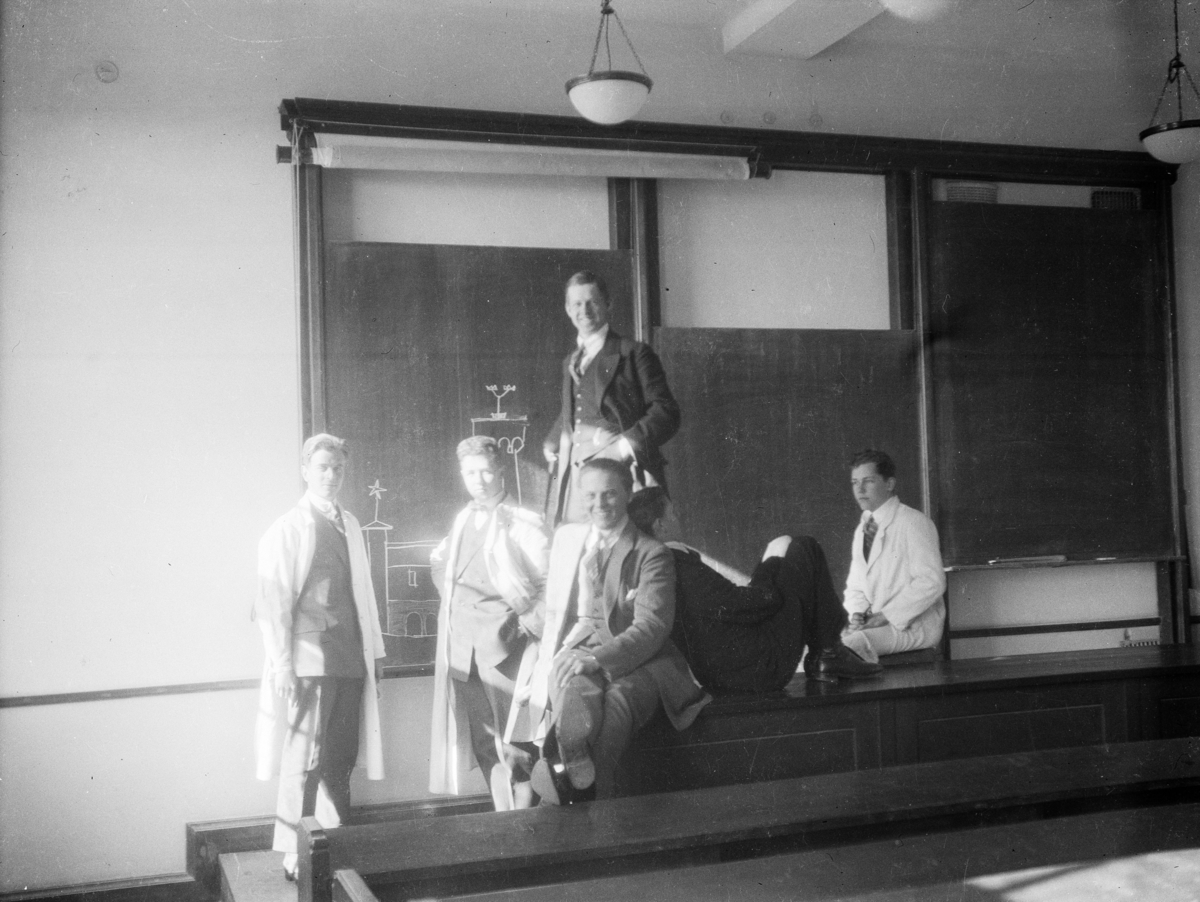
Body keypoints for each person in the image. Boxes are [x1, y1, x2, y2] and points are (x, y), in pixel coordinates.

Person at [514, 458, 709, 804]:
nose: (599, 504)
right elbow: (560, 609)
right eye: (590, 496)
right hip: (583, 645)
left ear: (628, 493)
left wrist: (596, 659)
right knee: (572, 684)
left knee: (618, 700)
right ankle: (575, 762)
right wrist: (555, 657)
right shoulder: (569, 541)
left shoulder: (651, 553)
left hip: (644, 659)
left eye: (609, 494)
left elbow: (652, 627)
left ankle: (582, 792)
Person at [253, 434, 386, 881]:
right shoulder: (287, 529)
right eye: (323, 467)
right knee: (304, 757)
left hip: (349, 658)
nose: (331, 476)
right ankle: (295, 852)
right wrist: (282, 665)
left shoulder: (350, 523)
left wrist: (375, 653)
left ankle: (334, 845)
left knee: (340, 757)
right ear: (306, 471)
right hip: (310, 660)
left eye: (338, 468)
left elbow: (364, 594)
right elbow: (272, 604)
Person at [627, 488, 881, 690]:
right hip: (755, 668)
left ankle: (827, 652)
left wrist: (770, 564)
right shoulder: (679, 564)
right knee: (805, 548)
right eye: (673, 514)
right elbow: (752, 605)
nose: (678, 518)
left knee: (788, 550)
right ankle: (828, 652)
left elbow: (731, 606)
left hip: (725, 670)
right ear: (660, 526)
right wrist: (772, 562)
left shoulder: (656, 568)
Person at [429, 436, 549, 811]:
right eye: (470, 473)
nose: (478, 480)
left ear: (500, 471)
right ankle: (503, 819)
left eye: (485, 471)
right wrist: (454, 600)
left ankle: (524, 826)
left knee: (516, 745)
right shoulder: (463, 520)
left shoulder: (525, 522)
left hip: (505, 649)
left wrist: (524, 627)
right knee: (486, 744)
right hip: (463, 650)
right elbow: (440, 563)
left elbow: (551, 585)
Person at [543, 270, 681, 526]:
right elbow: (574, 409)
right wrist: (552, 440)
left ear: (608, 304)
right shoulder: (570, 360)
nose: (584, 310)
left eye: (592, 302)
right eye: (577, 304)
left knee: (624, 544)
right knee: (578, 542)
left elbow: (666, 411)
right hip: (577, 481)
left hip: (621, 476)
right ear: (567, 309)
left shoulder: (634, 353)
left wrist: (625, 445)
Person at [841, 449, 946, 664]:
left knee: (848, 647)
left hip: (914, 626)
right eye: (855, 482)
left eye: (868, 481)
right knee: (819, 646)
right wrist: (857, 615)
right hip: (878, 623)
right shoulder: (863, 529)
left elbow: (932, 581)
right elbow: (855, 586)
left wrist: (885, 616)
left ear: (889, 484)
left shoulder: (913, 522)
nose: (860, 489)